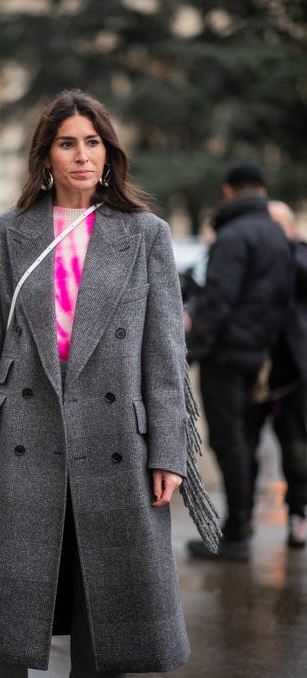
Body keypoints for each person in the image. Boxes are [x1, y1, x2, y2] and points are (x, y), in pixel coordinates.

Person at [0, 89, 219, 678]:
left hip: (117, 442)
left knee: (107, 617)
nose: (81, 155)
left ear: (109, 155)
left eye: (92, 143)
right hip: (25, 435)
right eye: (67, 143)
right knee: (7, 617)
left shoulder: (144, 234)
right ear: (46, 156)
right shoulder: (6, 233)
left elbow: (164, 353)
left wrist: (169, 452)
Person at [185, 161, 293, 561]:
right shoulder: (276, 235)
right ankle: (239, 526)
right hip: (259, 355)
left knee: (228, 442)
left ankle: (235, 534)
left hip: (227, 356)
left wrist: (190, 351)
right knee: (243, 442)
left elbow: (218, 301)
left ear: (229, 191)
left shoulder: (233, 234)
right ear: (262, 192)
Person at [244, 200, 307, 548]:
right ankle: (244, 516)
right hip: (253, 373)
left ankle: (298, 513)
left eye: (276, 226)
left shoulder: (298, 255)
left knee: (296, 449)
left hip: (293, 376)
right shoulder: (250, 258)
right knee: (245, 447)